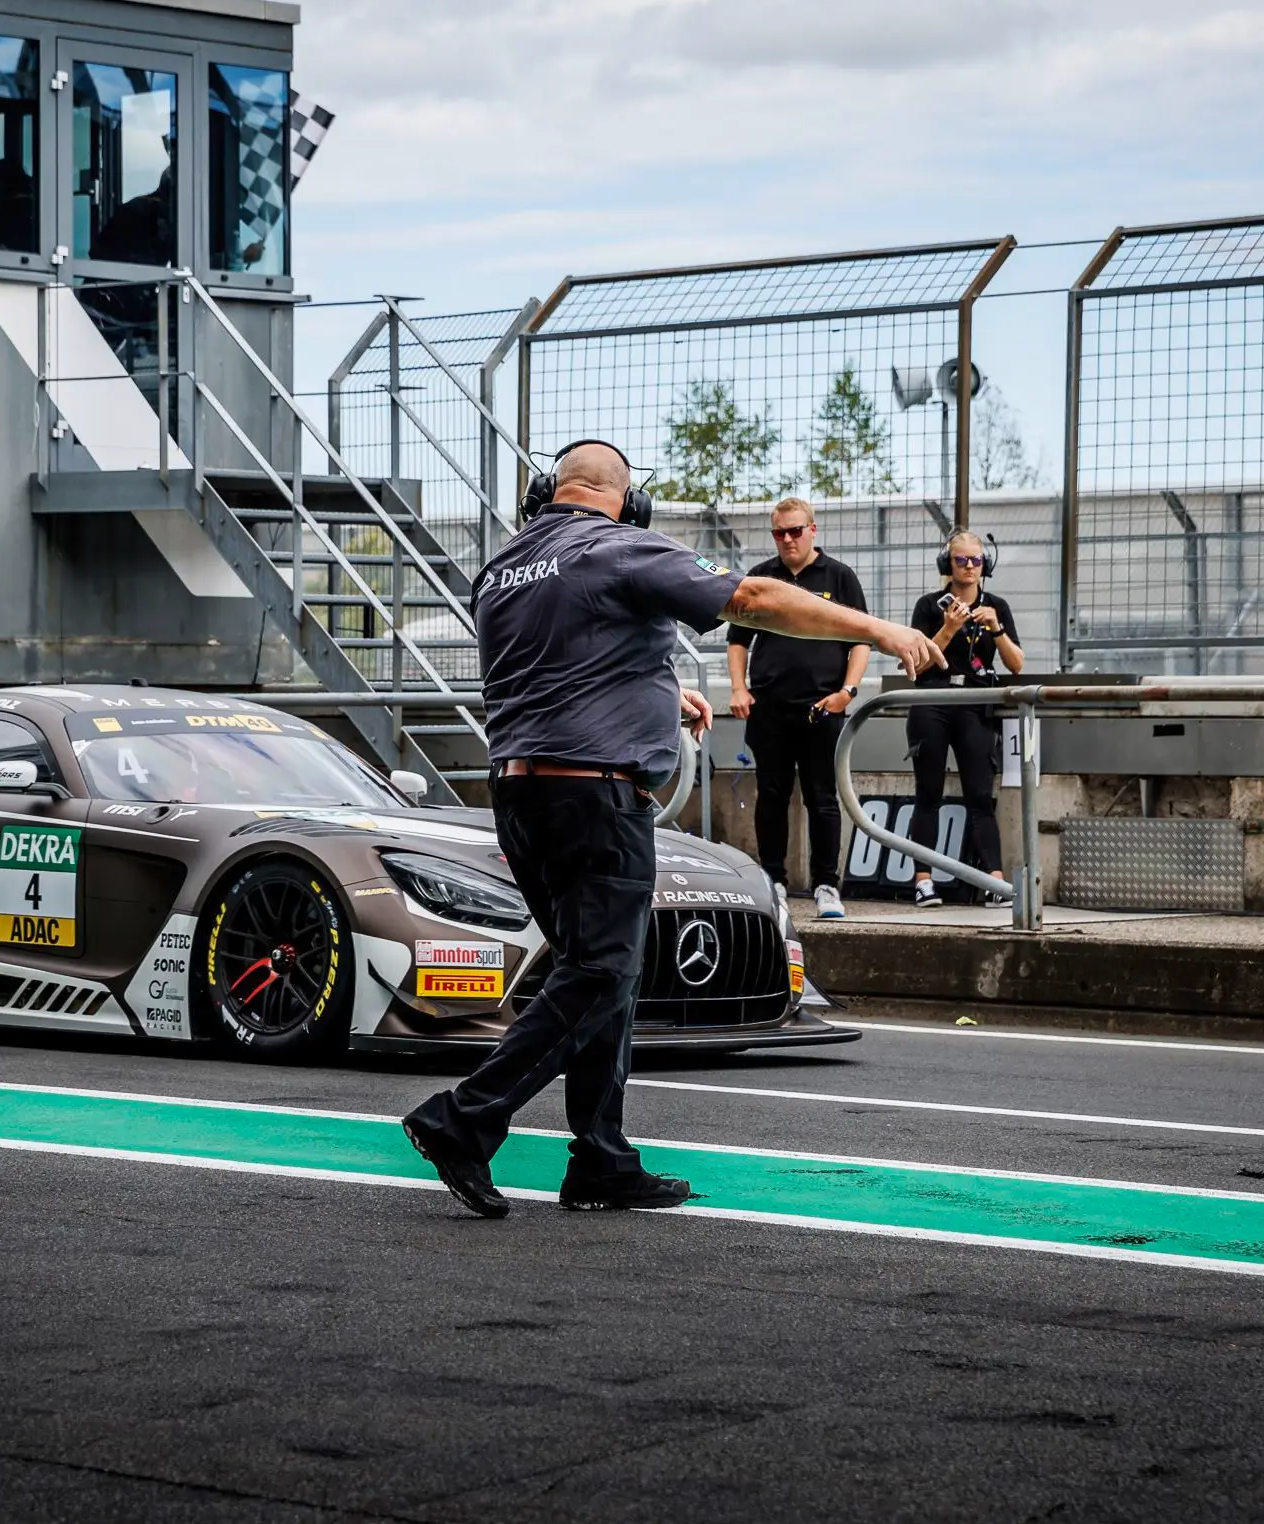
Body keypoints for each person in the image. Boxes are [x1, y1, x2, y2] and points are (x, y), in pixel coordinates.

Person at [404, 442, 943, 1219]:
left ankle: (601, 1157)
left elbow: (566, 659)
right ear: (628, 499)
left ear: (549, 491)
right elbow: (753, 600)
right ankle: (465, 1117)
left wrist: (663, 696)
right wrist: (881, 630)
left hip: (521, 794)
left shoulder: (504, 567)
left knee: (604, 973)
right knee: (599, 971)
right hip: (594, 795)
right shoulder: (620, 544)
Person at [726, 497, 870, 920]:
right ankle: (773, 882)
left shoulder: (839, 577)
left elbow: (861, 639)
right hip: (769, 707)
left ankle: (827, 885)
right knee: (771, 796)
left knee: (823, 797)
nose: (787, 539)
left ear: (813, 530)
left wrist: (848, 691)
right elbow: (737, 639)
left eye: (795, 530)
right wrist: (738, 688)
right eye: (779, 532)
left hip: (824, 706)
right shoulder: (761, 577)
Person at [906, 531, 1023, 909]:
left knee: (979, 794)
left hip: (975, 701)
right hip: (933, 698)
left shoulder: (997, 607)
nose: (970, 567)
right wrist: (949, 628)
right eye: (962, 560)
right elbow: (917, 663)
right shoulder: (928, 606)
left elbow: (1016, 665)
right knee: (928, 792)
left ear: (985, 564)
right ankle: (923, 880)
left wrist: (997, 630)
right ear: (948, 565)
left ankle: (994, 880)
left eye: (976, 560)